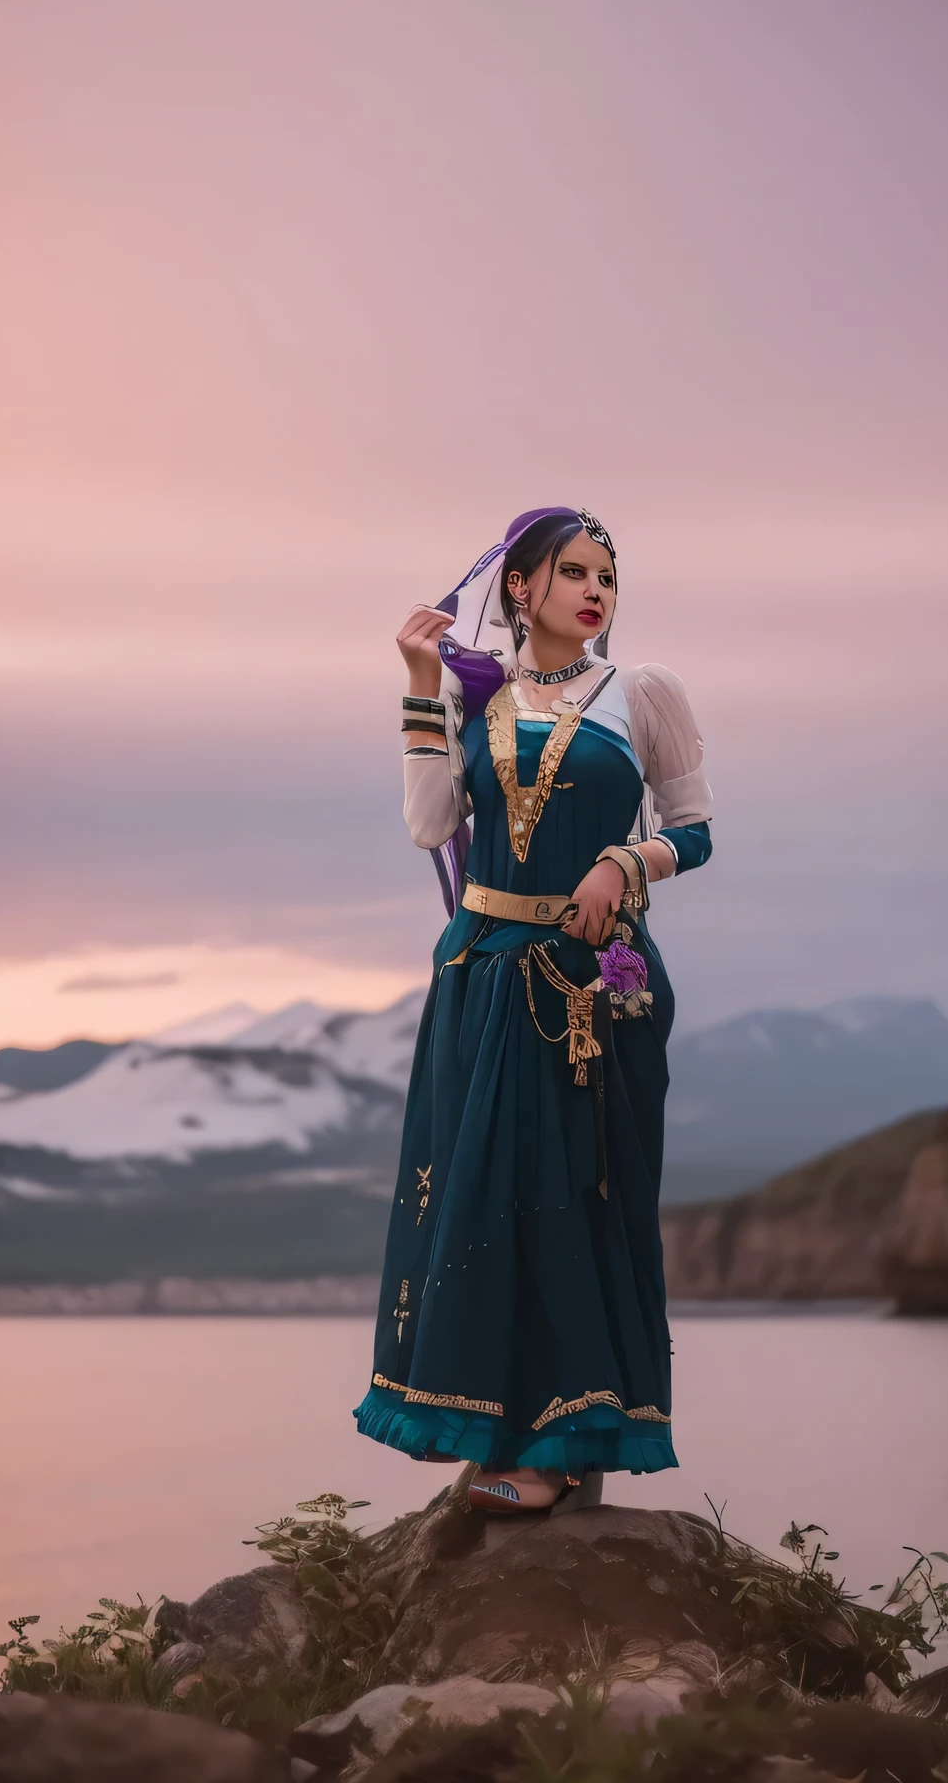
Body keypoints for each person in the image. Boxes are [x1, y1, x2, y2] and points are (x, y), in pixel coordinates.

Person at [353, 507, 714, 1513]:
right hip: (478, 970)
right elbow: (431, 822)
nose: (595, 590)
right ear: (522, 587)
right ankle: (498, 1425)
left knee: (572, 1198)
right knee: (478, 1200)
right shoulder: (482, 700)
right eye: (573, 571)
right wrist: (423, 687)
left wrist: (621, 857)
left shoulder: (642, 695)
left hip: (588, 983)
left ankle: (560, 1446)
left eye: (607, 574)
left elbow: (695, 832)